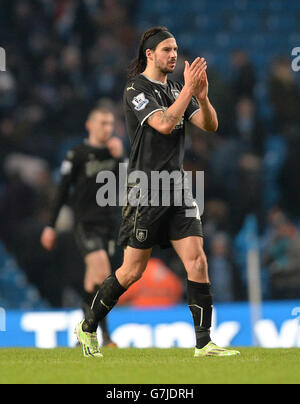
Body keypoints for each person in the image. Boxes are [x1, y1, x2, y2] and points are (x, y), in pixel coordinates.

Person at [75, 26, 240, 358]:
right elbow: (164, 123)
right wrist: (187, 93)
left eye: (176, 49)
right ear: (150, 54)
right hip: (146, 189)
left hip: (177, 187)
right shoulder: (136, 89)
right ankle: (88, 326)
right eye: (167, 49)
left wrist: (203, 97)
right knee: (132, 271)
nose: (174, 55)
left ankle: (204, 343)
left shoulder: (178, 88)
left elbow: (210, 125)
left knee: (198, 261)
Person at [41, 106, 124, 347]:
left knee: (94, 283)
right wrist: (50, 226)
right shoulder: (77, 154)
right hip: (85, 224)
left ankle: (85, 333)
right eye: (102, 123)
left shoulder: (114, 153)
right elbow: (62, 191)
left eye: (110, 124)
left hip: (108, 224)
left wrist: (121, 158)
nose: (106, 128)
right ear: (89, 125)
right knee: (103, 273)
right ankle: (102, 335)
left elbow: (128, 183)